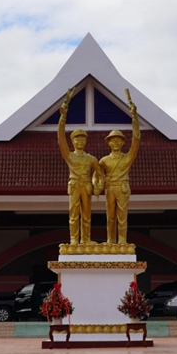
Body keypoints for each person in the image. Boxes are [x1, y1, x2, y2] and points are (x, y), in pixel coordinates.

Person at [96, 89, 140, 244]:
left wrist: (134, 118)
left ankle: (122, 241)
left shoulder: (127, 158)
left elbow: (136, 141)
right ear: (108, 143)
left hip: (122, 188)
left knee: (122, 216)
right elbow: (96, 172)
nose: (115, 143)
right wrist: (98, 184)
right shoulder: (104, 160)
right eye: (112, 140)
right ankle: (110, 241)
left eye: (118, 140)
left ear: (122, 142)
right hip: (110, 188)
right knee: (110, 217)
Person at [57, 88, 101, 245]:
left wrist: (96, 185)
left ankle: (86, 240)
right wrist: (63, 118)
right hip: (75, 185)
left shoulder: (91, 158)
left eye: (83, 140)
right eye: (77, 140)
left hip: (86, 186)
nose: (80, 142)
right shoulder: (69, 155)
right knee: (74, 213)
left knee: (87, 214)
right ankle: (74, 240)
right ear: (73, 141)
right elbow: (61, 139)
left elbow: (100, 173)